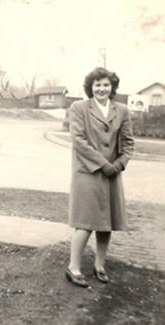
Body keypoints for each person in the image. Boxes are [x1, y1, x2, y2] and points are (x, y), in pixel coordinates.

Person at [66, 67, 134, 287]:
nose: (101, 89)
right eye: (97, 85)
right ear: (90, 88)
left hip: (112, 174)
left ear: (112, 87)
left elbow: (128, 143)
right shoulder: (78, 108)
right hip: (88, 172)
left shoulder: (122, 110)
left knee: (106, 222)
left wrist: (118, 164)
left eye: (106, 85)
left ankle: (100, 265)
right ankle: (73, 268)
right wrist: (103, 165)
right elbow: (79, 141)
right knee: (85, 222)